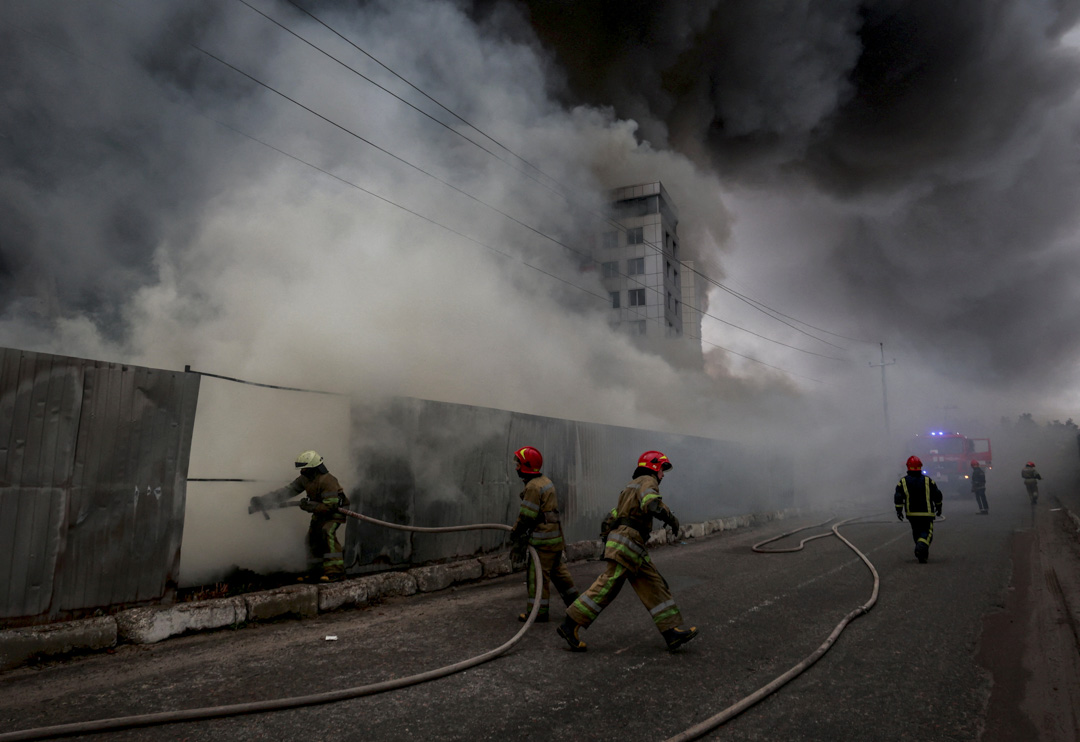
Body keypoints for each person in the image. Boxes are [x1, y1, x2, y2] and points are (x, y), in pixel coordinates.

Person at [558, 450, 698, 652]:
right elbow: (651, 503)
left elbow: (611, 516)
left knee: (654, 584)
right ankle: (569, 625)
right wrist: (670, 518)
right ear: (654, 467)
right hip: (628, 544)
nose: (663, 475)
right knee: (607, 586)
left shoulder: (631, 487)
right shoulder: (648, 481)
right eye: (662, 470)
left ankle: (671, 632)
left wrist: (608, 538)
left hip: (630, 545)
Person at [249, 450, 350, 582]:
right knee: (311, 538)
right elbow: (287, 491)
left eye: (305, 468)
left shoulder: (328, 481)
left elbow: (330, 507)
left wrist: (309, 507)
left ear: (314, 467)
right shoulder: (305, 479)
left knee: (327, 532)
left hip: (335, 512)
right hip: (319, 511)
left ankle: (336, 572)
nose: (302, 471)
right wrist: (264, 500)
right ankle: (315, 571)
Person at [507, 446, 579, 623]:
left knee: (537, 577)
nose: (516, 467)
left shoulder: (533, 487)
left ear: (527, 465)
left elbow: (527, 516)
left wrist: (516, 533)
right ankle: (578, 606)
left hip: (542, 542)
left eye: (519, 464)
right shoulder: (545, 481)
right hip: (554, 539)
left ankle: (537, 612)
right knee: (560, 574)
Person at [894, 455, 943, 564]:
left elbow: (898, 497)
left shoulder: (902, 482)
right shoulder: (928, 480)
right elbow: (937, 494)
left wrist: (899, 511)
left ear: (908, 467)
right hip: (927, 513)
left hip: (911, 514)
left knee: (916, 532)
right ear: (920, 466)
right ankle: (921, 547)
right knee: (927, 532)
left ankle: (922, 552)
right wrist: (939, 507)